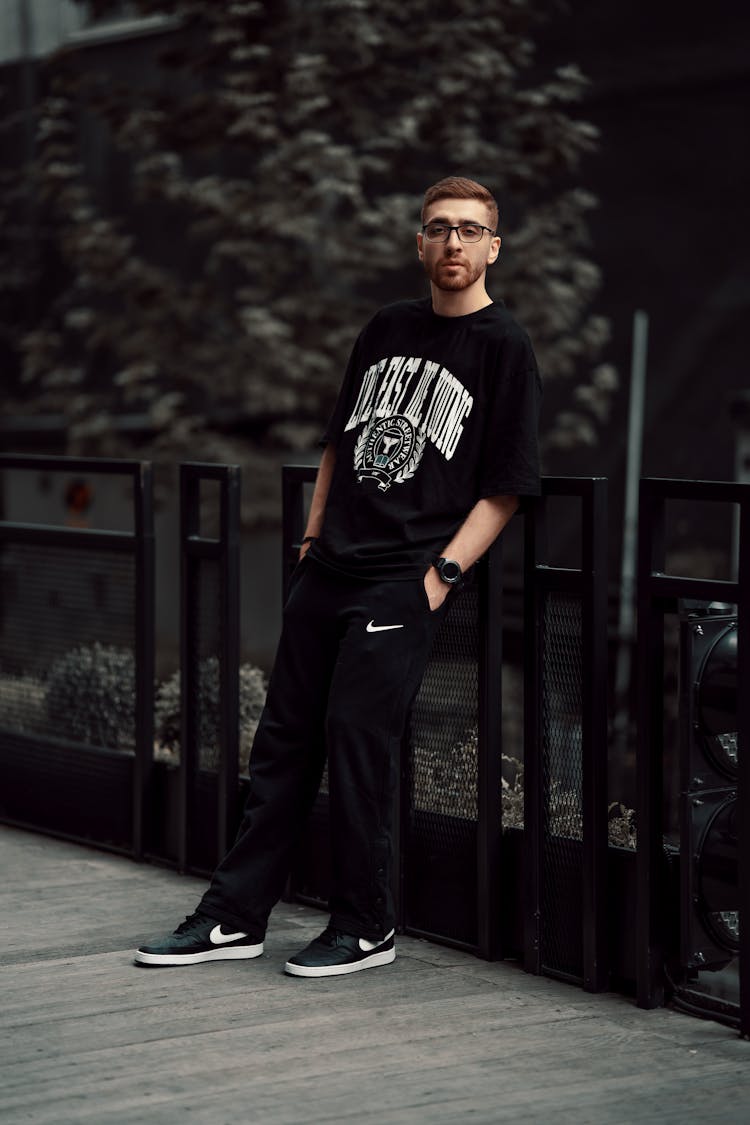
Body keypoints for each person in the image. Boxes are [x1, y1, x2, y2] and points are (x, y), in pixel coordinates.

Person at [135, 176, 542, 977]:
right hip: (329, 570)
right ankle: (233, 916)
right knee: (282, 742)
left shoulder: (505, 347)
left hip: (402, 577)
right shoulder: (386, 327)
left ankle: (365, 925)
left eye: (469, 230)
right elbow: (336, 441)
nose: (453, 243)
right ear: (418, 242)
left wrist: (441, 575)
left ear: (494, 247)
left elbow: (507, 488)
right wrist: (314, 535)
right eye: (439, 228)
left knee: (358, 745)